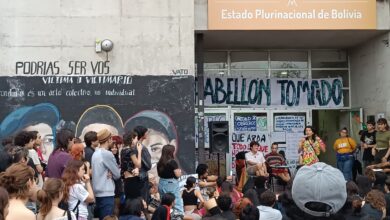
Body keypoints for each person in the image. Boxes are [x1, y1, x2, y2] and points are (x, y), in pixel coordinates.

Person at [92, 129, 121, 220]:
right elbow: (117, 174)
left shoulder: (95, 153)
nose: (112, 141)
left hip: (98, 193)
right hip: (106, 193)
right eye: (111, 138)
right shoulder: (107, 154)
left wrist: (110, 171)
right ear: (108, 139)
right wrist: (112, 171)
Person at [157, 144, 183, 215]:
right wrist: (180, 172)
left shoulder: (160, 162)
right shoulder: (172, 162)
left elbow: (159, 174)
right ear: (171, 152)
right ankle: (178, 217)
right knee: (176, 202)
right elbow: (178, 175)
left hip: (161, 183)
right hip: (171, 184)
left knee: (164, 203)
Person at [121, 131, 143, 200]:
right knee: (134, 200)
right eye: (136, 139)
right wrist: (139, 151)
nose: (137, 141)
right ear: (132, 140)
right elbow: (138, 164)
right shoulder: (130, 151)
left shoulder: (123, 150)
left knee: (129, 200)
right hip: (132, 179)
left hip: (126, 179)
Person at [110, 135, 123, 217]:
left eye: (116, 147)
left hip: (118, 184)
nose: (114, 149)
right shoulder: (109, 158)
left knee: (118, 205)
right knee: (114, 206)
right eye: (112, 147)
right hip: (112, 184)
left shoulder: (118, 157)